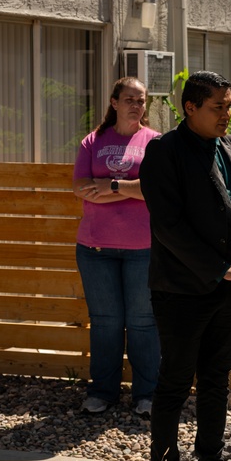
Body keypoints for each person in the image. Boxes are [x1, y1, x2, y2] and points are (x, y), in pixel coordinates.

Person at [139, 70, 231, 461]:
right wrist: (218, 270)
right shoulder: (163, 152)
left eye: (230, 105)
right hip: (180, 291)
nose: (228, 114)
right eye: (219, 107)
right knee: (174, 385)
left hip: (225, 288)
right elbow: (167, 226)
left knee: (215, 384)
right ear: (190, 107)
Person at [73, 77, 161, 417]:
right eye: (129, 99)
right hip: (95, 248)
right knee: (106, 322)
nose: (136, 105)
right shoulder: (93, 141)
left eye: (141, 100)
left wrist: (109, 185)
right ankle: (102, 393)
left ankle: (147, 395)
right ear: (114, 102)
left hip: (144, 248)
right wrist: (129, 188)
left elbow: (154, 188)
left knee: (142, 321)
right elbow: (80, 187)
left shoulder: (155, 142)